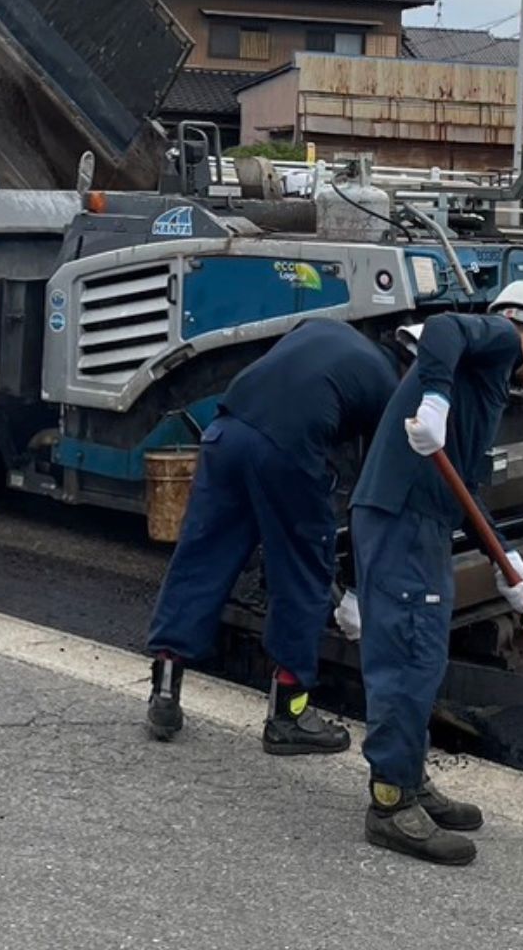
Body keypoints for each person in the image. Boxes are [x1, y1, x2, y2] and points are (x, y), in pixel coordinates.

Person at [350, 279, 523, 865]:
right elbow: (443, 327)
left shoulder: (484, 377)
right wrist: (435, 402)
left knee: (423, 656)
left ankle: (411, 779)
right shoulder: (500, 341)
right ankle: (391, 803)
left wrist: (508, 563)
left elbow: (465, 489)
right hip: (401, 518)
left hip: (419, 520)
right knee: (409, 656)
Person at [144, 318, 399, 754]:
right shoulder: (391, 388)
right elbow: (370, 493)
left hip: (226, 432)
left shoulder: (322, 328)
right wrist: (356, 588)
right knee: (302, 573)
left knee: (202, 557)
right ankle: (289, 714)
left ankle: (164, 691)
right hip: (285, 451)